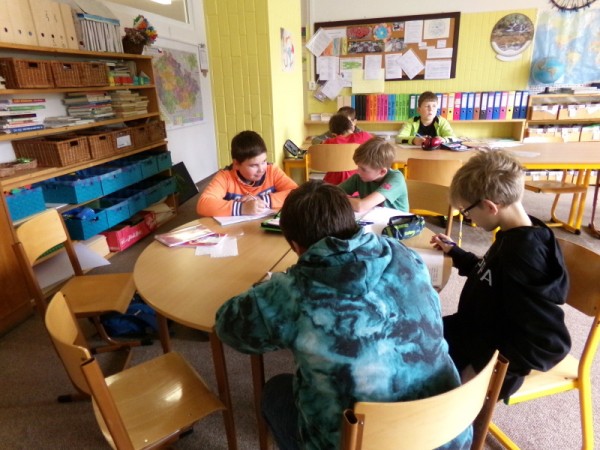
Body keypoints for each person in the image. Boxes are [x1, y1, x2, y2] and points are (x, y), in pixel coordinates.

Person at [215, 180, 471, 450]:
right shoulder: (400, 252)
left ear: (295, 246)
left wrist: (269, 289)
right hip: (446, 433)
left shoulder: (292, 291)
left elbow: (227, 328)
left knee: (276, 390)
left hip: (358, 443)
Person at [430, 150, 571, 400]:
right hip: (473, 330)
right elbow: (493, 276)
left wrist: (482, 368)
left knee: (418, 386)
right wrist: (457, 253)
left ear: (490, 206)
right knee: (413, 332)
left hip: (490, 357)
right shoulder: (513, 232)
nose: (468, 217)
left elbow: (549, 344)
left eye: (466, 211)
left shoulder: (525, 254)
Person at [196, 130, 298, 217]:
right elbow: (203, 204)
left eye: (263, 161)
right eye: (253, 165)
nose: (261, 169)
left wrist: (261, 201)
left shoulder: (272, 170)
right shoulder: (225, 177)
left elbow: (296, 193)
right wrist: (242, 208)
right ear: (236, 164)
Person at [338, 137, 408, 213]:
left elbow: (361, 206)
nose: (358, 171)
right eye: (358, 167)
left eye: (363, 169)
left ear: (382, 172)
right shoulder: (360, 177)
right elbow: (332, 193)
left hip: (398, 220)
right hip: (372, 218)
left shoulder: (396, 179)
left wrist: (340, 198)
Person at [321, 113, 373, 185]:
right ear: (352, 127)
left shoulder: (328, 142)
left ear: (333, 134)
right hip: (359, 181)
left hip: (332, 184)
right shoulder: (364, 136)